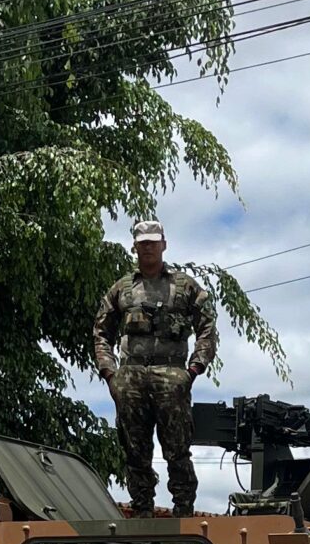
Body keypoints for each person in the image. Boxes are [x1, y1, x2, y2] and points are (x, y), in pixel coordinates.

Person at [91, 219, 218, 516]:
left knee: (177, 449)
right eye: (142, 242)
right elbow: (101, 332)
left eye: (153, 241)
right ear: (134, 247)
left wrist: (194, 368)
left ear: (164, 244)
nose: (148, 247)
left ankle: (183, 510)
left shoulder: (185, 286)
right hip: (130, 376)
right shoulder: (121, 288)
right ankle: (142, 509)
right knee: (135, 450)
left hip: (172, 374)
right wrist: (110, 374)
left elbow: (207, 327)